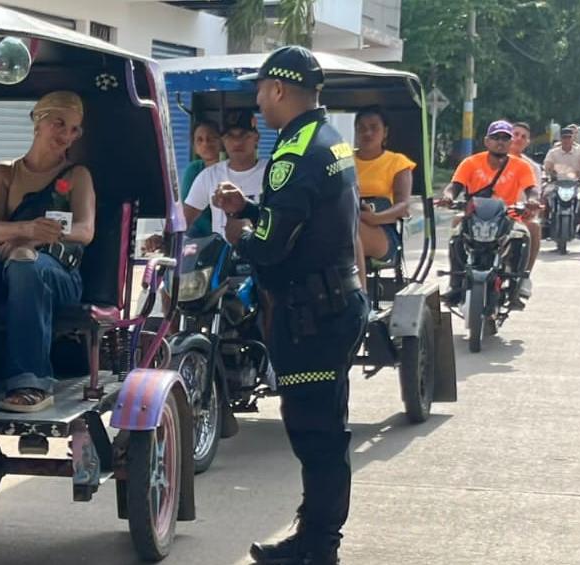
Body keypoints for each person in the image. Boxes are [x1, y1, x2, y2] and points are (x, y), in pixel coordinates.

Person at [211, 45, 368, 565]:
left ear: (279, 89)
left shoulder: (297, 152)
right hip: (331, 304)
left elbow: (273, 246)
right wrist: (251, 207)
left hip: (312, 316)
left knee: (316, 436)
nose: (257, 102)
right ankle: (313, 538)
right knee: (323, 431)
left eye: (260, 90)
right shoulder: (325, 139)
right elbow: (304, 218)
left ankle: (318, 548)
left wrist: (240, 233)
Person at [0, 91, 95, 413]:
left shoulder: (77, 176)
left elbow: (85, 231)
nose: (65, 135)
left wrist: (45, 237)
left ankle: (31, 380)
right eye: (59, 124)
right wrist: (26, 229)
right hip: (7, 263)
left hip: (57, 273)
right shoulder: (5, 173)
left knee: (26, 265)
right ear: (37, 123)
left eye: (73, 129)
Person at [437, 120, 541, 308]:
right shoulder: (470, 163)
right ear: (486, 141)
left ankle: (516, 285)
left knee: (523, 235)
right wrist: (448, 197)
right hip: (474, 216)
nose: (500, 142)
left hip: (508, 217)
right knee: (457, 233)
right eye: (495, 138)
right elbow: (454, 186)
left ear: (510, 144)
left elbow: (532, 190)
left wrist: (532, 201)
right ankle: (455, 283)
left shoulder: (522, 167)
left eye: (505, 138)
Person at [183, 111, 269, 240]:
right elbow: (182, 222)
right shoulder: (209, 176)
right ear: (223, 140)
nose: (237, 142)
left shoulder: (272, 171)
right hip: (222, 257)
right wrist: (161, 239)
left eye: (244, 136)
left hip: (264, 254)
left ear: (256, 138)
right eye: (230, 136)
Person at [352, 106, 416, 270]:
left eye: (374, 128)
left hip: (381, 230)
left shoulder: (397, 163)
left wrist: (375, 218)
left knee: (350, 229)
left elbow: (403, 207)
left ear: (385, 132)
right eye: (362, 128)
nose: (367, 133)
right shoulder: (343, 160)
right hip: (346, 220)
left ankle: (358, 292)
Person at [543, 127, 580, 243]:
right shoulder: (553, 152)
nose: (566, 140)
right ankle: (545, 222)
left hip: (575, 184)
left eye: (569, 137)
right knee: (544, 196)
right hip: (557, 183)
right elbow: (547, 166)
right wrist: (545, 174)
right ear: (560, 139)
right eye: (564, 137)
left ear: (573, 138)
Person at [180, 120, 224, 238]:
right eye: (199, 140)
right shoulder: (194, 170)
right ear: (194, 147)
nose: (205, 143)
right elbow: (189, 210)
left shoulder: (232, 168)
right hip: (200, 235)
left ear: (221, 142)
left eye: (211, 138)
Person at [509, 122, 544, 266]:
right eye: (515, 134)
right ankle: (457, 278)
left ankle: (525, 276)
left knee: (534, 227)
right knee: (458, 221)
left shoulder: (532, 167)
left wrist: (531, 206)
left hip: (518, 214)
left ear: (527, 142)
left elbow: (534, 192)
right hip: (489, 214)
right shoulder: (490, 160)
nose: (518, 139)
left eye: (523, 137)